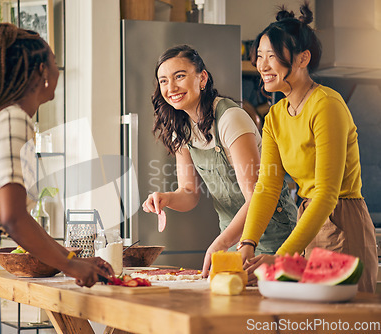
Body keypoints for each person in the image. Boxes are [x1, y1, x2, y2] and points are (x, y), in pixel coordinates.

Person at [0, 23, 114, 334]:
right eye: (55, 61)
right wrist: (71, 264)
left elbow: (13, 215)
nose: (59, 69)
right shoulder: (13, 118)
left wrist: (71, 259)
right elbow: (14, 218)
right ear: (42, 71)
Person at [238, 3, 378, 293]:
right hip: (308, 223)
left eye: (272, 57)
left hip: (342, 219)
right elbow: (267, 186)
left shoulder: (326, 105)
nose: (262, 66)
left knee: (342, 322)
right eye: (259, 56)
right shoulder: (275, 117)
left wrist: (279, 257)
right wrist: (247, 243)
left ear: (303, 59)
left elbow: (326, 194)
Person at [141, 45, 297, 278]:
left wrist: (220, 243)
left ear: (202, 78)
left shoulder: (230, 119)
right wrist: (167, 199)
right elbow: (189, 192)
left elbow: (256, 196)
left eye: (179, 76)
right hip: (233, 241)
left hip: (274, 238)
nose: (171, 87)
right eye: (163, 81)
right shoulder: (181, 128)